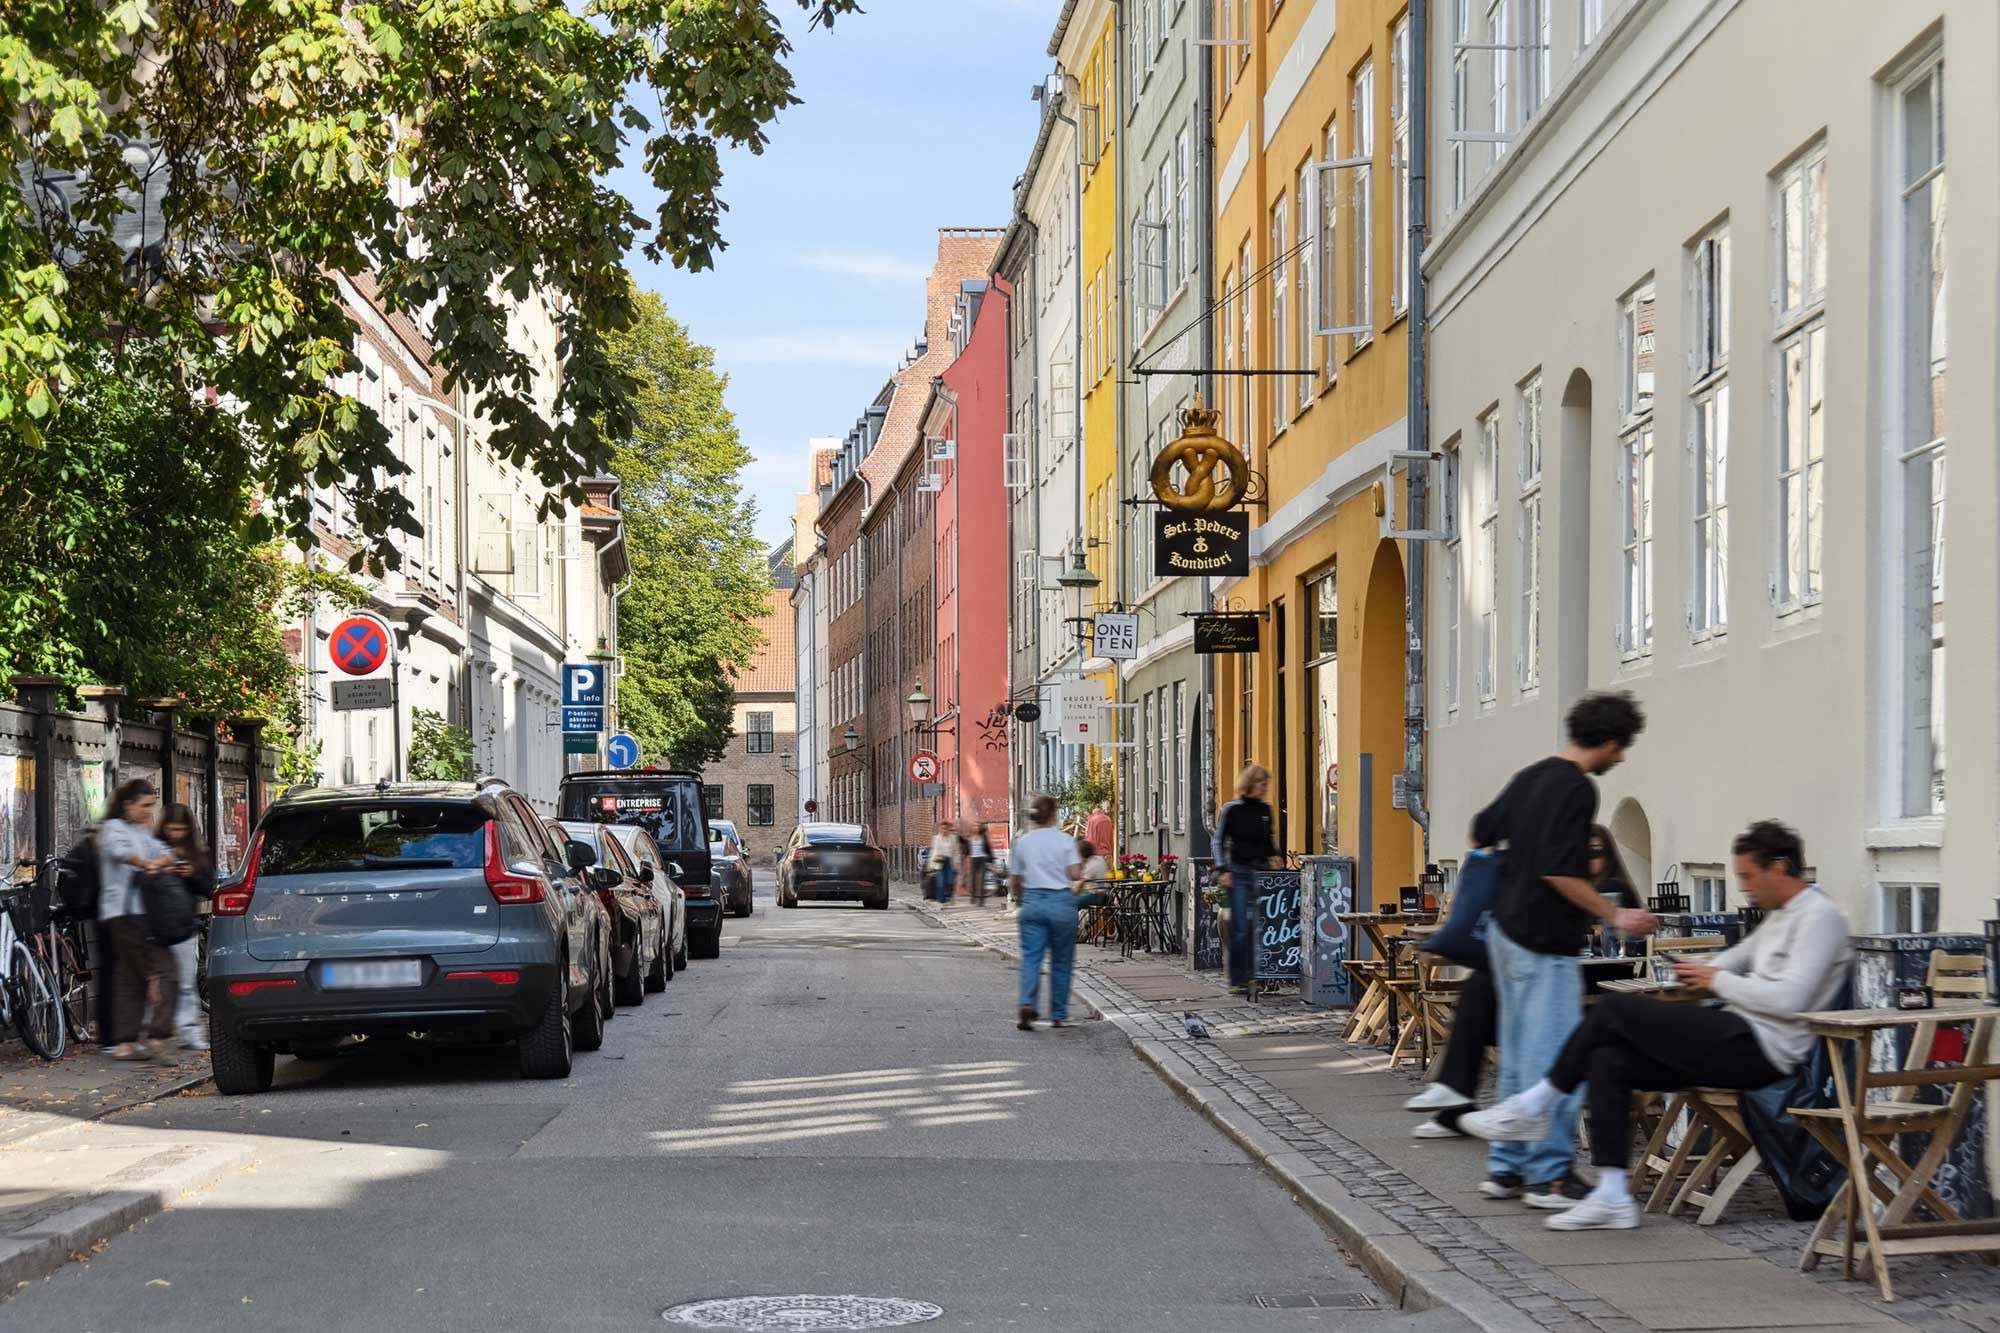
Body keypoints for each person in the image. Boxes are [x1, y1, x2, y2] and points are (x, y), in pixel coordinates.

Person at [1465, 820, 1852, 1231]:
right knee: (1609, 1059)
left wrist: (1715, 981)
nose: (1743, 888)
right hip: (1735, 1033)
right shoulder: (1780, 915)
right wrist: (1695, 971)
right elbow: (1735, 958)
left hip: (1766, 1052)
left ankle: (1533, 1104)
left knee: (1613, 1012)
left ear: (1779, 867)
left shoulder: (1820, 917)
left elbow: (1791, 1000)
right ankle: (1612, 1194)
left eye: (1747, 876)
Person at [1461, 692, 1657, 1210]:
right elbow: (1559, 871)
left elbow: (1480, 831)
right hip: (1544, 940)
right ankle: (1551, 1176)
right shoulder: (1576, 788)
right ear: (1610, 742)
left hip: (1505, 933)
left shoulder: (1530, 776)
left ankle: (1506, 1169)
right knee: (1558, 1061)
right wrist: (1616, 914)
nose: (1622, 758)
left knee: (1520, 1059)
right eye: (1623, 748)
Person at [95, 779, 178, 1061]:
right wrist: (146, 865)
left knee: (128, 975)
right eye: (144, 806)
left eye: (151, 806)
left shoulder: (140, 833)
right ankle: (155, 1033)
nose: (148, 812)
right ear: (128, 805)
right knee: (162, 971)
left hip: (141, 912)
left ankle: (126, 1040)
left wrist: (161, 862)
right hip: (123, 912)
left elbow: (165, 852)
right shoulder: (112, 829)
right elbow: (118, 853)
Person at [1011, 794, 1083, 1030]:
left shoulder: (1023, 842)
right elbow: (1074, 874)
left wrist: (1023, 902)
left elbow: (1016, 879)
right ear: (1053, 815)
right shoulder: (1065, 841)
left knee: (1032, 957)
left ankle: (1026, 1002)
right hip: (1061, 901)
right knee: (1061, 960)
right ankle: (1059, 1014)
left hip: (1032, 901)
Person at [1212, 764, 1278, 996]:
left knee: (1259, 926)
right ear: (1251, 784)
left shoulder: (1265, 810)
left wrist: (1274, 856)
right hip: (1238, 872)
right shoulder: (1232, 810)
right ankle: (1237, 979)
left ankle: (1256, 976)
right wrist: (1223, 869)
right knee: (1240, 927)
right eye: (1262, 784)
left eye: (1266, 784)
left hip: (1260, 872)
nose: (1265, 788)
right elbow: (1218, 841)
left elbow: (1268, 840)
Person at [158, 804, 214, 1052]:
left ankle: (189, 1030)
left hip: (182, 922)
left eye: (181, 829)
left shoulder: (197, 853)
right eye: (171, 829)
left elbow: (207, 886)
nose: (176, 834)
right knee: (158, 981)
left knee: (184, 981)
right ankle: (161, 1031)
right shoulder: (154, 848)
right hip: (157, 922)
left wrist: (191, 873)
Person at [926, 820, 959, 905]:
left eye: (946, 828)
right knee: (940, 882)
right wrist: (930, 865)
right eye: (942, 828)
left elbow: (956, 852)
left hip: (949, 861)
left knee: (950, 881)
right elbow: (933, 852)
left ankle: (947, 896)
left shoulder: (953, 838)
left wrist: (957, 863)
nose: (944, 830)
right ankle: (942, 901)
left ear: (948, 829)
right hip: (939, 862)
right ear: (939, 829)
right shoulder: (936, 838)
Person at [966, 822, 993, 906]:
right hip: (974, 859)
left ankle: (981, 901)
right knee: (973, 879)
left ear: (980, 828)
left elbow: (988, 849)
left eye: (977, 826)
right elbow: (967, 851)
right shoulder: (970, 838)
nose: (976, 828)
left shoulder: (983, 837)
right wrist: (966, 858)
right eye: (974, 826)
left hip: (982, 859)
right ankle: (973, 896)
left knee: (982, 881)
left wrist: (992, 861)